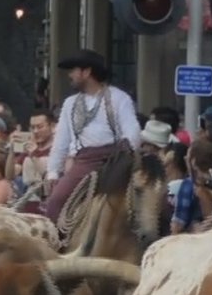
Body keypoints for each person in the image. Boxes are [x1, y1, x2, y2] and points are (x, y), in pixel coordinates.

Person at [44, 49, 141, 224]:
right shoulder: (70, 104)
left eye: (73, 70)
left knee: (154, 202)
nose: (70, 75)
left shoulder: (119, 98)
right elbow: (61, 141)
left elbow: (132, 131)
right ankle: (55, 247)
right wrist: (53, 171)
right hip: (84, 162)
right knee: (55, 202)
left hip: (116, 160)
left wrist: (125, 153)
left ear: (87, 72)